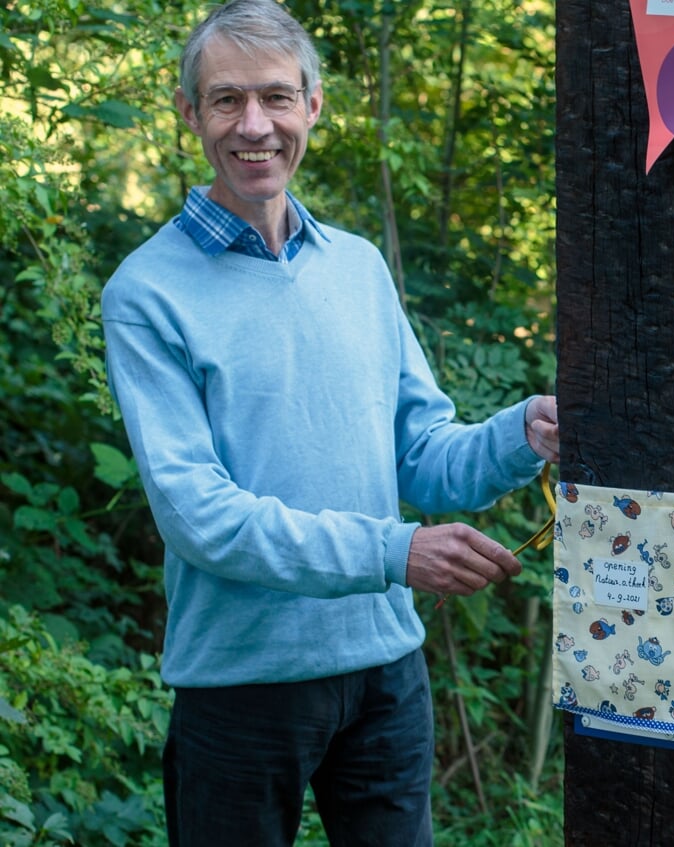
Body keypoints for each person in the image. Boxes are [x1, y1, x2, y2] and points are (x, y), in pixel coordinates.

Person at [100, 0, 559, 843]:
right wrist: (393, 551)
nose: (254, 125)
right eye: (226, 99)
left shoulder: (358, 266)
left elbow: (418, 457)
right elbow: (198, 514)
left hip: (386, 670)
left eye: (276, 97)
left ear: (313, 105)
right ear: (189, 112)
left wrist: (522, 431)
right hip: (240, 684)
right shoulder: (146, 293)